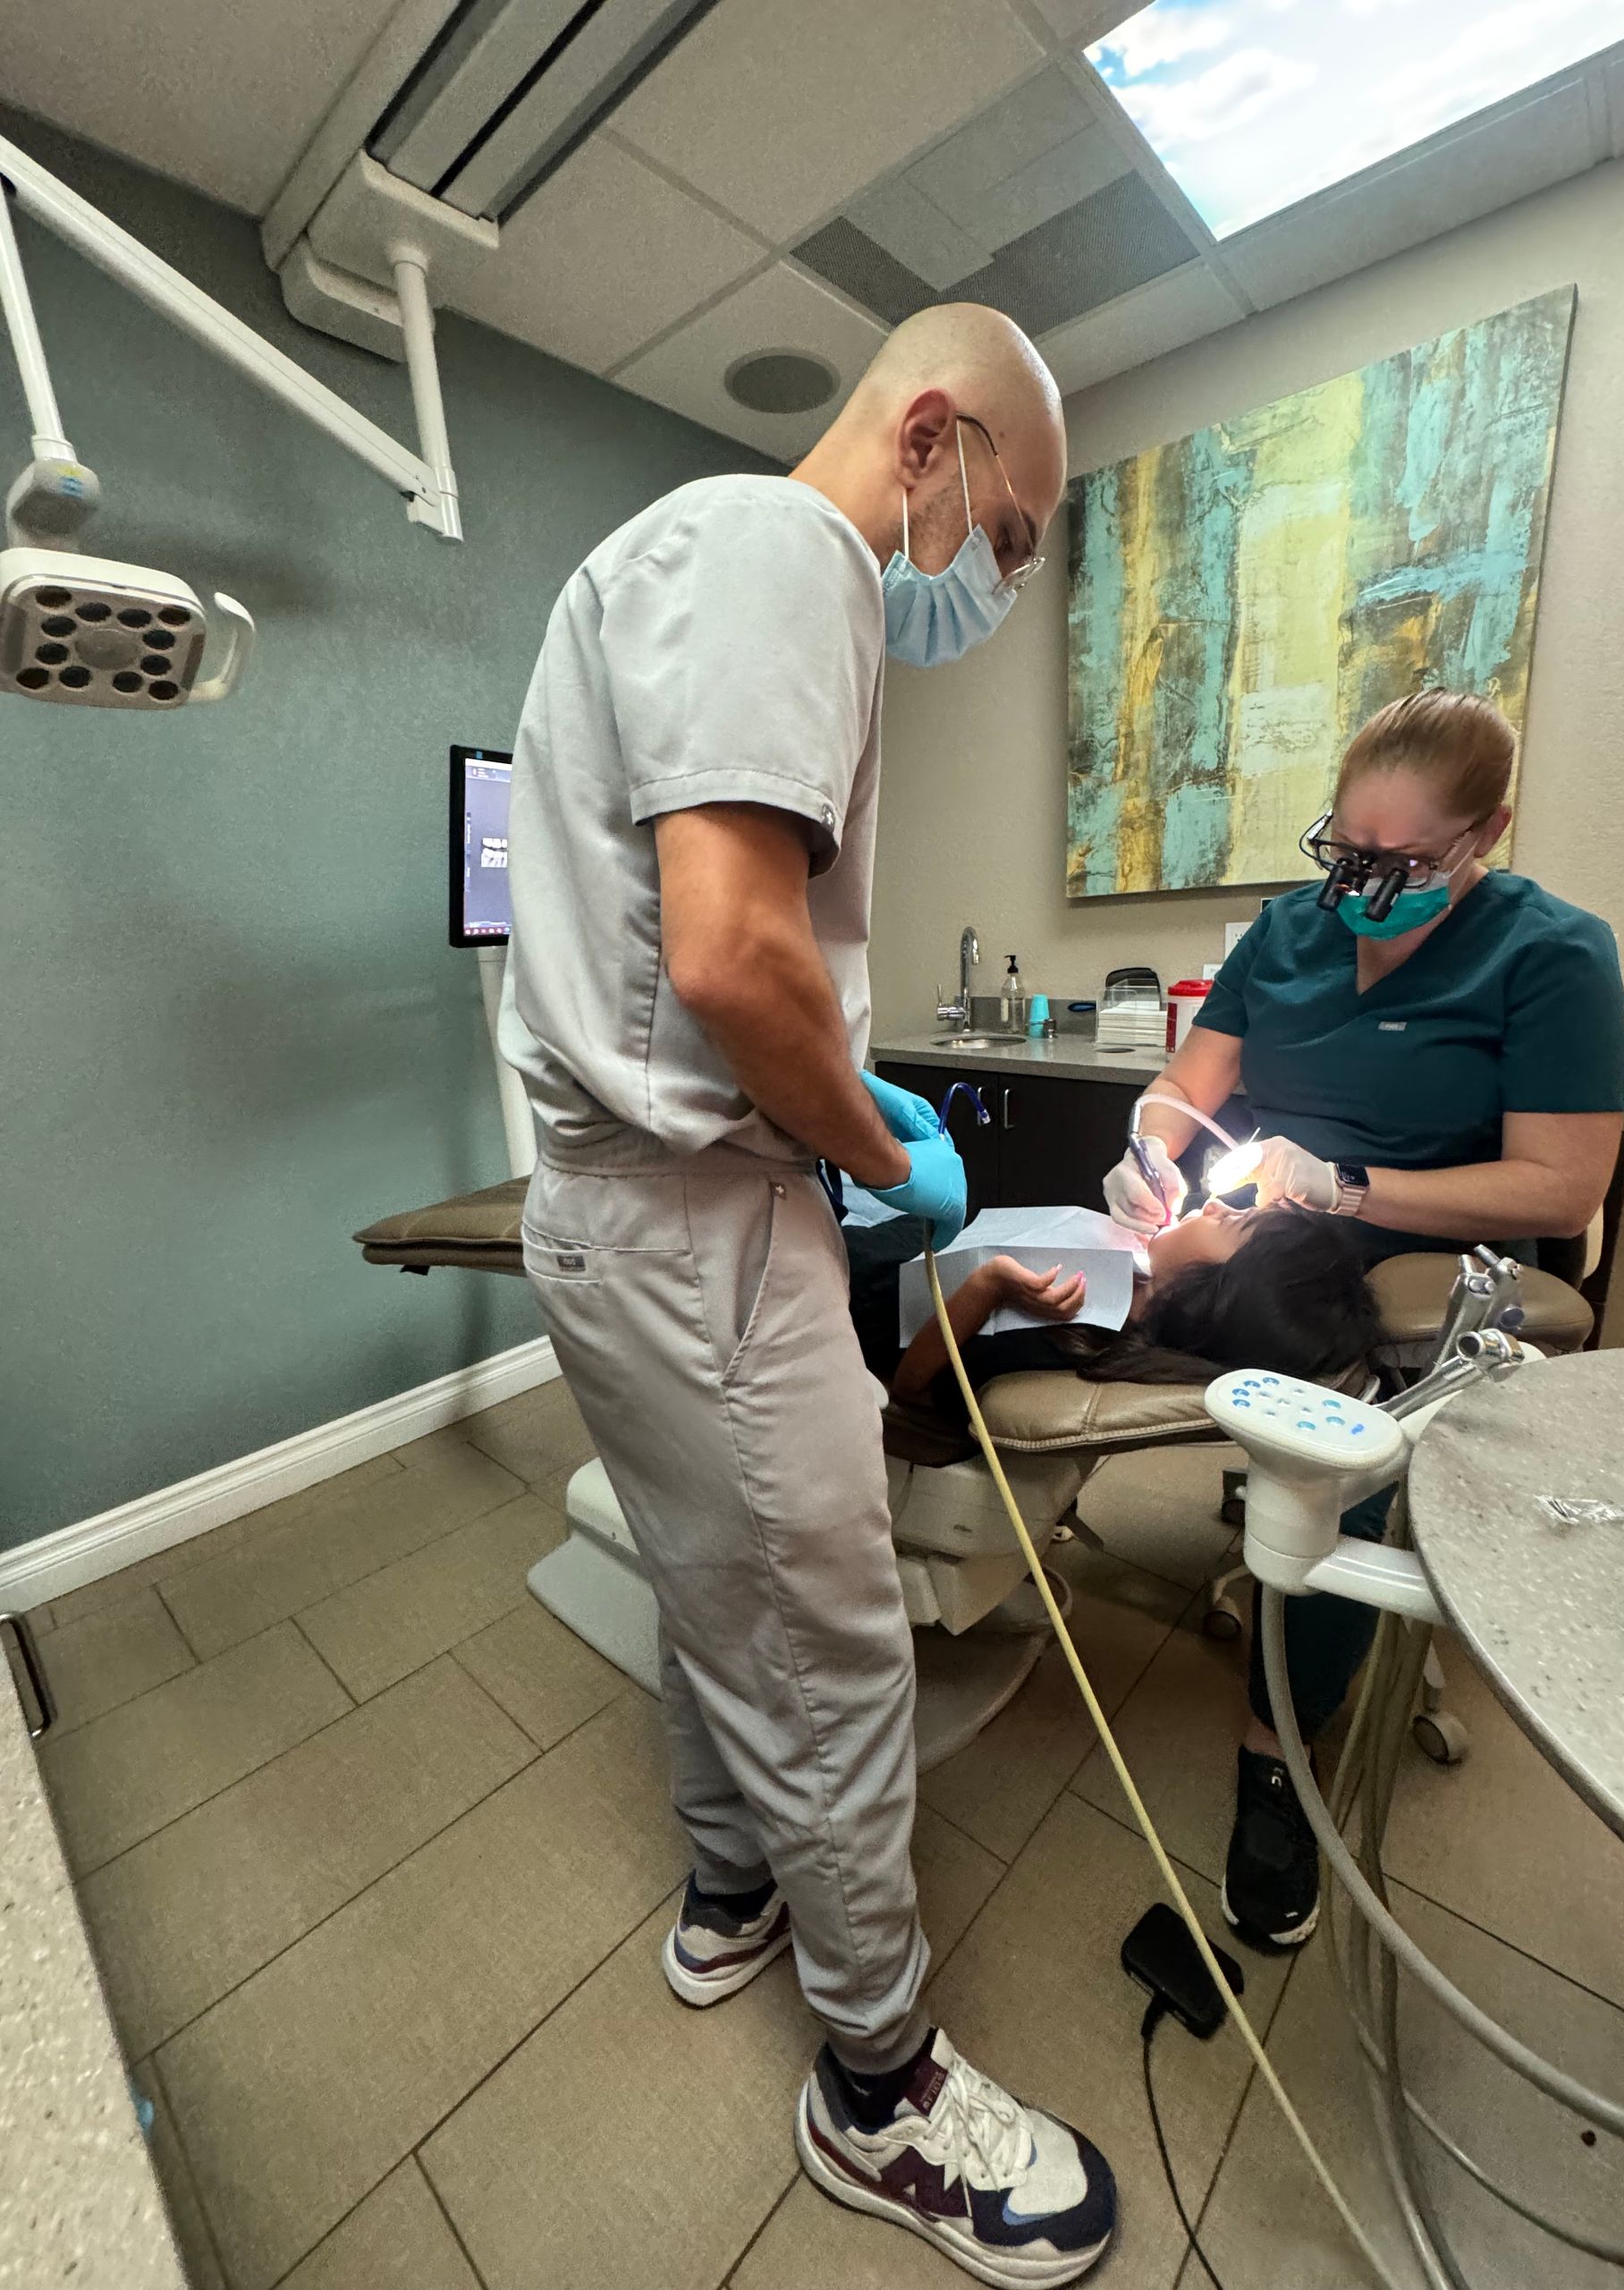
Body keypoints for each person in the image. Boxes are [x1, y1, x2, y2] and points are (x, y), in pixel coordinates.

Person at [500, 305, 1120, 2286]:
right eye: (1011, 534)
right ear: (929, 438)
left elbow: (739, 962)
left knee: (709, 1574)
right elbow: (734, 963)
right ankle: (881, 2091)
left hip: (619, 1210)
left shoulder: (690, 562)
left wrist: (845, 1103)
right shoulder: (788, 555)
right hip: (700, 1220)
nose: (996, 582)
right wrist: (882, 1147)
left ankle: (731, 1882)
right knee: (829, 1633)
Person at [1102, 689, 1624, 1950]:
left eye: (1401, 864)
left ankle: (1276, 1751)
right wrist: (1151, 1146)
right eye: (1347, 852)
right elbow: (1190, 1079)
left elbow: (1563, 1185)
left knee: (1342, 1433)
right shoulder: (1284, 934)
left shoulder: (1550, 955)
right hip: (1267, 1228)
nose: (1363, 886)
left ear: (1486, 833)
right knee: (1080, 1294)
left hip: (1417, 1244)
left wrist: (1350, 1185)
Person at [843, 1199, 1383, 1409]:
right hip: (896, 1242)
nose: (1214, 1204)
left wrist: (986, 1287)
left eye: (1232, 1222)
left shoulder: (1069, 1326)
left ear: (1212, 1290)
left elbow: (910, 1390)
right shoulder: (1120, 1283)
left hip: (845, 1288)